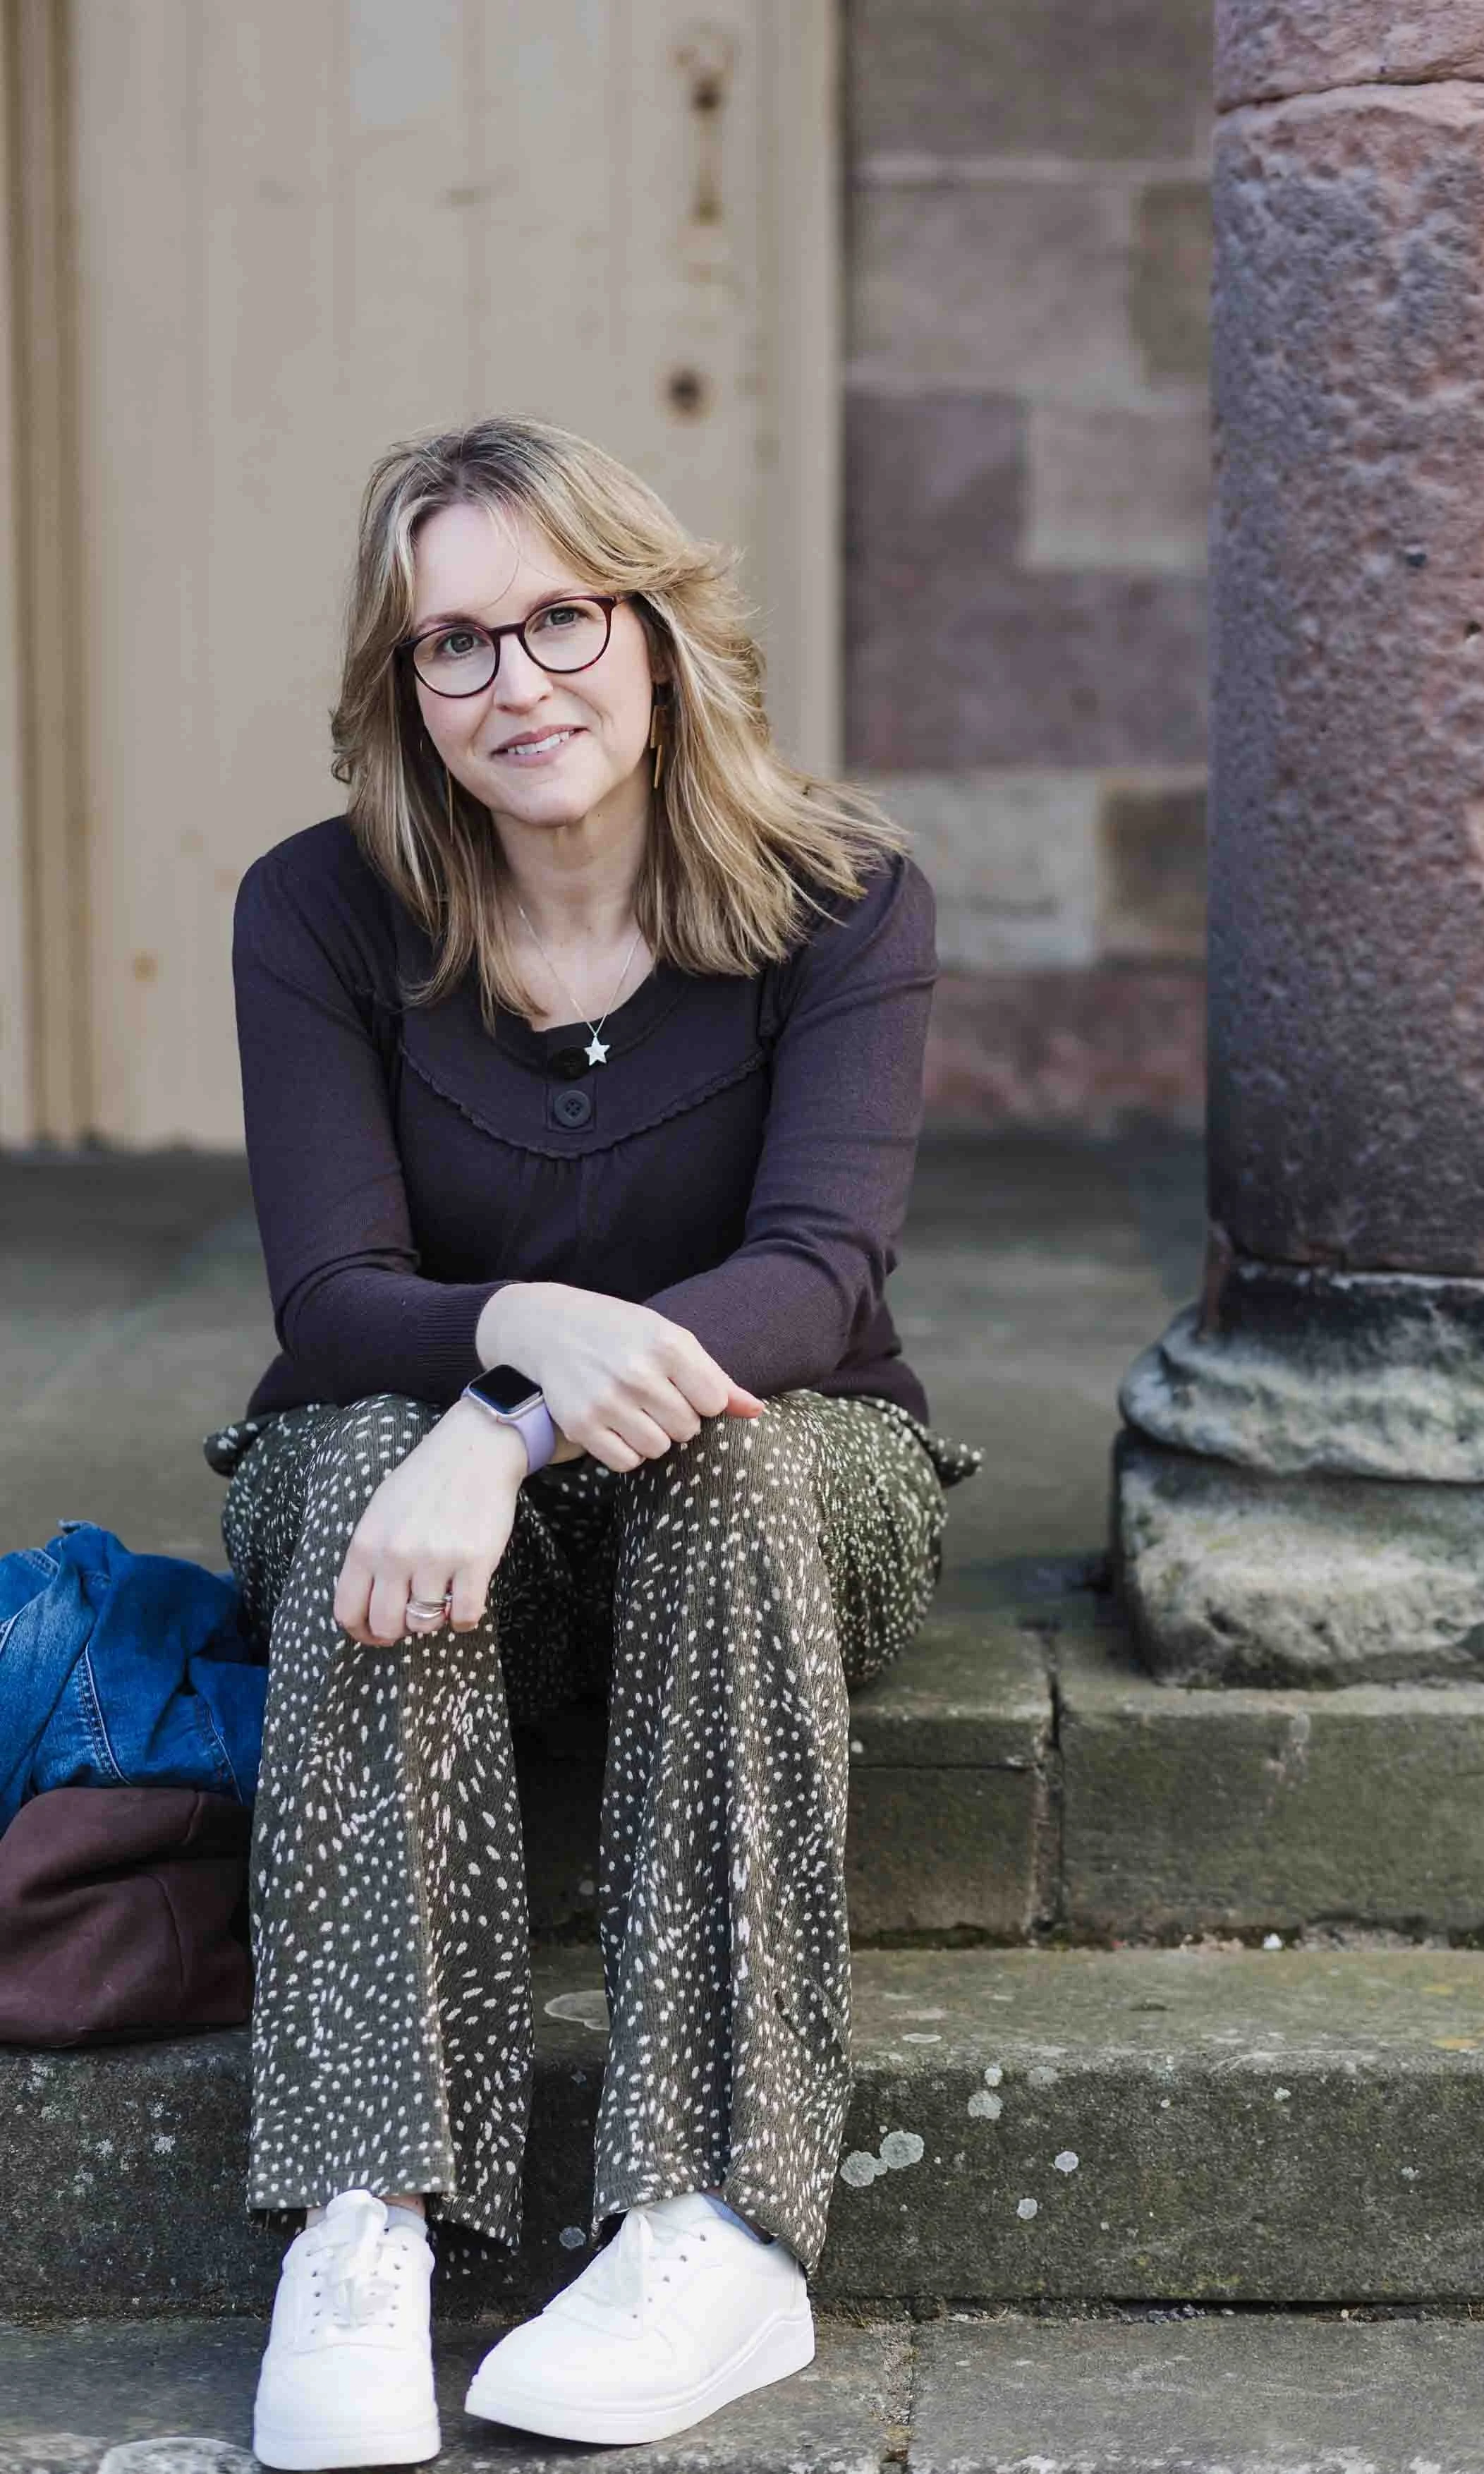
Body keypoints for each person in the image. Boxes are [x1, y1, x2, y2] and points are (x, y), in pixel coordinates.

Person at [200, 413, 981, 2468]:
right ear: (402, 692)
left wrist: (516, 1417)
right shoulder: (321, 910)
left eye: (560, 617)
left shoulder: (841, 896)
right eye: (454, 644)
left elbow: (817, 1273)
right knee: (361, 1454)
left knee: (726, 1459)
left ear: (653, 630)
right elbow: (328, 1295)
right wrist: (500, 1349)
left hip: (782, 1501)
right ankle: (363, 2224)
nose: (516, 680)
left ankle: (715, 2228)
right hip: (439, 1532)